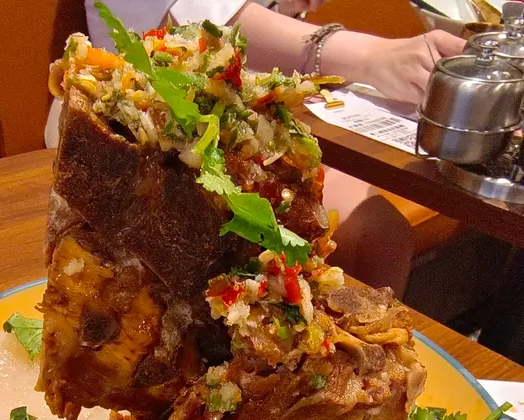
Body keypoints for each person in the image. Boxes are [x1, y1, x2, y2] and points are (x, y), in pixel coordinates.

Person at [44, 0, 466, 295]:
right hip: (119, 126)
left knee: (379, 234)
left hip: (242, 124)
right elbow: (189, 18)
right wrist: (370, 56)